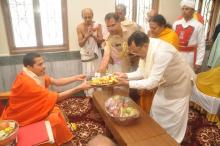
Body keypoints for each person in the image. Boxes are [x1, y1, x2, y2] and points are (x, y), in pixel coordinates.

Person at [115, 31, 194, 143]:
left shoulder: (161, 52)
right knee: (157, 111)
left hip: (179, 85)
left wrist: (127, 83)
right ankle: (157, 137)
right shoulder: (146, 50)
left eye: (136, 51)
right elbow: (141, 72)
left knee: (174, 119)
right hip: (164, 84)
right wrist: (125, 75)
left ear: (145, 46)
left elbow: (152, 82)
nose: (135, 55)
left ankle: (172, 142)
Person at [1, 53, 91, 146]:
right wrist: (79, 88)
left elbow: (55, 82)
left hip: (30, 110)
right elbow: (57, 97)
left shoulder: (34, 74)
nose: (44, 67)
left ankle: (63, 139)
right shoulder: (27, 82)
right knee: (54, 117)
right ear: (29, 67)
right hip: (21, 117)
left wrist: (75, 78)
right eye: (40, 64)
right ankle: (61, 141)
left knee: (55, 110)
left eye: (43, 63)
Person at [173, 0, 205, 73]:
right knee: (177, 74)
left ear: (193, 11)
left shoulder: (199, 25)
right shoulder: (176, 24)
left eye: (187, 9)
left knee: (189, 76)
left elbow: (201, 45)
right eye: (183, 9)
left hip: (190, 56)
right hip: (177, 55)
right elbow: (173, 41)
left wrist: (198, 62)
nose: (184, 11)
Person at [76, 8, 103, 96]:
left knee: (97, 75)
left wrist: (93, 35)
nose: (87, 19)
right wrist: (87, 36)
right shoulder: (79, 27)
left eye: (89, 17)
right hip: (86, 56)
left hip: (96, 55)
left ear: (92, 16)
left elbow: (100, 41)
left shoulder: (97, 25)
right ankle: (89, 96)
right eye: (85, 17)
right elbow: (80, 44)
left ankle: (98, 95)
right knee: (88, 76)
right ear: (82, 17)